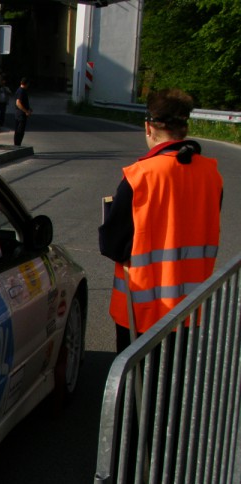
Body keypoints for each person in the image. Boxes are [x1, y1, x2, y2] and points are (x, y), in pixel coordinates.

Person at [98, 88, 223, 352]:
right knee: (172, 387)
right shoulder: (212, 175)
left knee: (138, 389)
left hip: (141, 312)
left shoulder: (140, 176)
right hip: (189, 308)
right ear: (185, 128)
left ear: (149, 127)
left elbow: (112, 246)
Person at [13, 77, 32, 146]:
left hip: (20, 114)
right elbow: (18, 103)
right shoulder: (21, 91)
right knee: (19, 131)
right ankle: (17, 145)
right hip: (20, 114)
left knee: (20, 131)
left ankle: (18, 144)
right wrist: (26, 111)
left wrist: (28, 108)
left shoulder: (21, 90)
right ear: (26, 84)